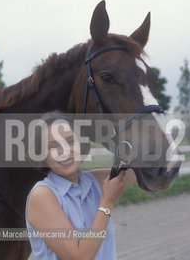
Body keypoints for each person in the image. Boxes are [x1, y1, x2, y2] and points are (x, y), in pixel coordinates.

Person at [25, 111, 137, 260]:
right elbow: (78, 257)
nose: (64, 152)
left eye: (70, 141)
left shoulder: (95, 180)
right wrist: (107, 203)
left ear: (82, 144)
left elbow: (143, 171)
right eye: (53, 146)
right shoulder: (43, 195)